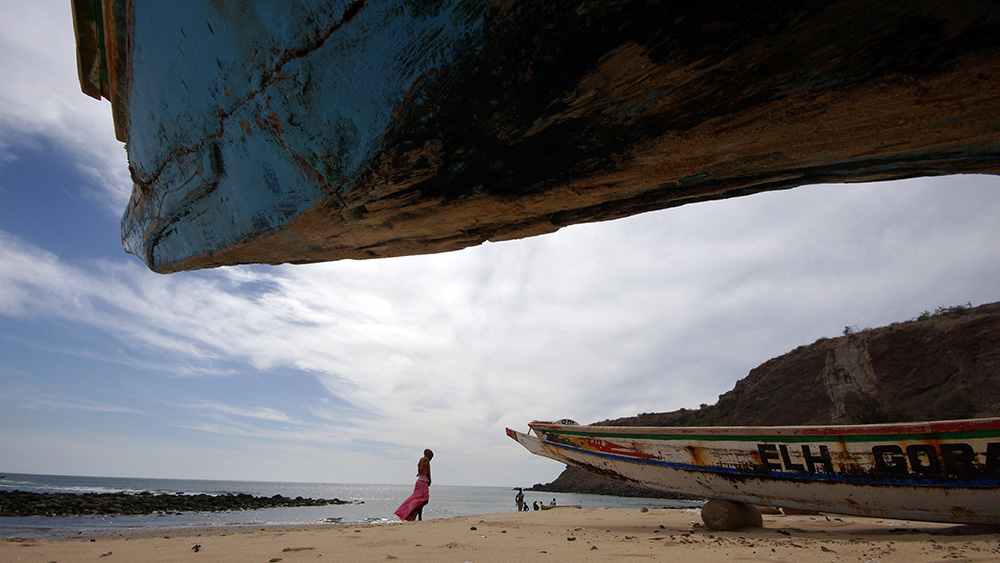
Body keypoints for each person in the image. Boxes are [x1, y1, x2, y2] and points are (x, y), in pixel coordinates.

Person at [394, 449, 433, 521]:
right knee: (425, 500)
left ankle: (419, 518)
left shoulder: (421, 460)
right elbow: (427, 472)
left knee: (419, 500)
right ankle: (412, 513)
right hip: (423, 482)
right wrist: (430, 480)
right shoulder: (426, 460)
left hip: (418, 482)